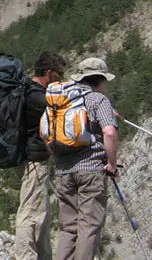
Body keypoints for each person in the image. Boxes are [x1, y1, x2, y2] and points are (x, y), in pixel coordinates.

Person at [53, 57, 120, 260]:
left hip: (63, 171)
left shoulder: (62, 101)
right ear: (99, 79)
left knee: (68, 228)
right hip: (91, 170)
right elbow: (109, 132)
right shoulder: (99, 100)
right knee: (88, 227)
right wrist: (112, 164)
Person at [14, 51, 66, 260]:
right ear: (49, 72)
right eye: (59, 75)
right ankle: (25, 256)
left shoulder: (27, 91)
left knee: (41, 211)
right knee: (30, 212)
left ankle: (44, 255)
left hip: (28, 159)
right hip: (35, 161)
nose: (61, 79)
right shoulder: (39, 98)